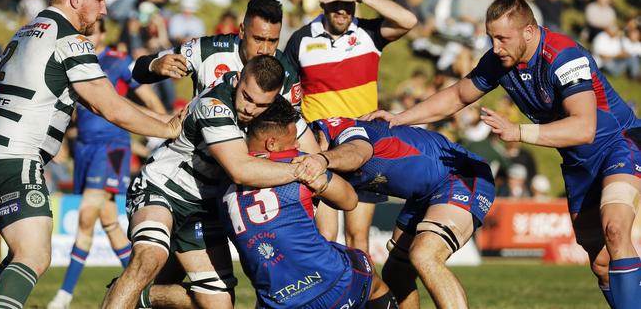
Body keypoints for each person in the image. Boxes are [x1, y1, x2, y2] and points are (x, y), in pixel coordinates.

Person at [365, 0, 641, 309]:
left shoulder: (565, 56)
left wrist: (518, 131)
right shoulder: (501, 59)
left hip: (617, 144)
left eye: (502, 39)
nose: (495, 48)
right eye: (490, 38)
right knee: (601, 264)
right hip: (578, 162)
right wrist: (400, 118)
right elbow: (457, 96)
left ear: (528, 30)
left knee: (615, 228)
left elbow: (584, 127)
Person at [0, 0, 183, 307]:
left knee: (17, 254)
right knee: (34, 254)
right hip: (16, 158)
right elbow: (108, 105)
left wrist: (153, 66)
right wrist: (168, 127)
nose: (105, 10)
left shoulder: (24, 33)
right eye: (100, 0)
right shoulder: (69, 40)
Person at [102, 56, 324, 308]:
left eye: (260, 104)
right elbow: (240, 170)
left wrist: (322, 161)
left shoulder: (276, 109)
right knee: (150, 257)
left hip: (203, 207)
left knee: (217, 304)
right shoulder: (215, 104)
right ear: (238, 79)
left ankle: (138, 296)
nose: (250, 108)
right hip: (162, 187)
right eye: (247, 97)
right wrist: (301, 171)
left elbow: (313, 154)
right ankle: (129, 290)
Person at [283, 0, 417, 256]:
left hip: (364, 146)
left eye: (348, 2)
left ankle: (366, 300)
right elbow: (287, 95)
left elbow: (409, 19)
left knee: (358, 238)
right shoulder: (301, 39)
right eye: (335, 0)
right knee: (326, 237)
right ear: (322, 1)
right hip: (323, 149)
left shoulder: (369, 33)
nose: (342, 9)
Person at [218, 97, 399, 308]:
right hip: (330, 284)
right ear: (272, 143)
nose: (296, 144)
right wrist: (316, 175)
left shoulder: (224, 179)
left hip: (275, 301)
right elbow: (349, 200)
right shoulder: (297, 164)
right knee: (368, 273)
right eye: (293, 139)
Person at [299, 117, 495, 308]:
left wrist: (321, 160)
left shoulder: (343, 130)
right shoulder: (307, 160)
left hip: (460, 174)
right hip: (423, 193)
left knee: (424, 255)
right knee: (396, 272)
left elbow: (357, 153)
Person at [47, 19, 167, 309]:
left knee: (87, 214)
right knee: (108, 221)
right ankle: (141, 290)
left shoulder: (118, 61)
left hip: (112, 148)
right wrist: (61, 142)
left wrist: (165, 130)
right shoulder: (73, 62)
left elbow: (149, 97)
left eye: (91, 33)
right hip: (85, 149)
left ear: (103, 34)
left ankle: (64, 295)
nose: (87, 39)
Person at [131, 0, 314, 149]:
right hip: (194, 156)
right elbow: (138, 71)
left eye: (272, 41)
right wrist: (153, 66)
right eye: (258, 39)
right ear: (242, 31)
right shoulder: (206, 50)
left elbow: (293, 131)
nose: (265, 50)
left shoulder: (286, 73)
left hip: (246, 162)